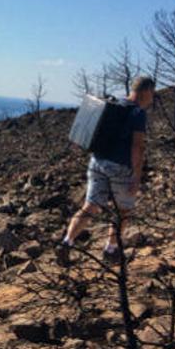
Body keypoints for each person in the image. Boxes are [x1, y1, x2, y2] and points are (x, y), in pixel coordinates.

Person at [58, 76, 155, 265]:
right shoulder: (138, 113)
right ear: (145, 92)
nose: (152, 98)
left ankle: (67, 241)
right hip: (120, 167)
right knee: (123, 210)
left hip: (97, 161)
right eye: (152, 94)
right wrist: (136, 176)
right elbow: (137, 146)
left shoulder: (114, 104)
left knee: (91, 205)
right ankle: (111, 250)